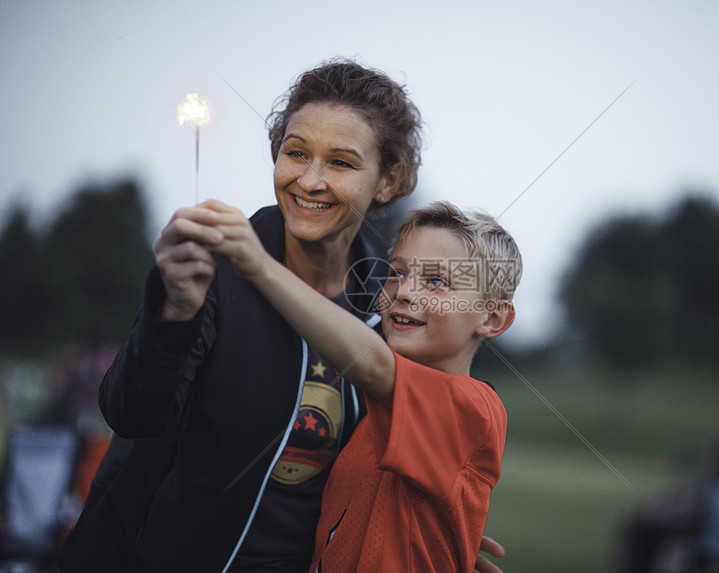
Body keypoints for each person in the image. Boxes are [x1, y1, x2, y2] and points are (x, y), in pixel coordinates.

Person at [60, 59, 503, 573]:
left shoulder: (392, 308)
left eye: (340, 162)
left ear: (388, 181)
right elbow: (133, 414)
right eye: (296, 153)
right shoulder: (211, 270)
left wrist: (428, 530)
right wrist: (173, 314)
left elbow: (392, 452)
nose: (309, 180)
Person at [193, 199, 520, 571]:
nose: (405, 292)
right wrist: (447, 534)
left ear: (492, 318)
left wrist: (261, 266)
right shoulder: (374, 414)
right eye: (397, 273)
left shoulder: (476, 409)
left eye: (437, 281)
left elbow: (370, 365)